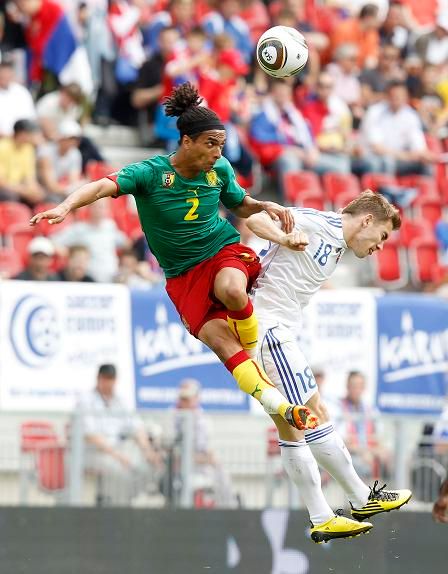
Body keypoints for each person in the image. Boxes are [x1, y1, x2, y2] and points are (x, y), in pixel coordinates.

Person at [30, 81, 314, 435]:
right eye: (210, 144)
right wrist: (66, 205)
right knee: (221, 343)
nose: (217, 152)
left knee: (232, 290)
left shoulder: (220, 169)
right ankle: (282, 406)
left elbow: (238, 203)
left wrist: (262, 204)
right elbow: (103, 185)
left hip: (220, 250)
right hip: (182, 277)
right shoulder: (151, 173)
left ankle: (254, 349)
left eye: (221, 145)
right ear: (186, 141)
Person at [246, 191, 412, 543]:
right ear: (367, 221)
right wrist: (284, 237)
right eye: (382, 236)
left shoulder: (337, 246)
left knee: (291, 427)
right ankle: (361, 497)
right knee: (314, 409)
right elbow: (254, 220)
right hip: (268, 329)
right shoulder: (317, 222)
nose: (382, 246)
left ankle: (322, 517)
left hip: (273, 329)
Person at [76, 363, 164, 506]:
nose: (108, 382)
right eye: (105, 378)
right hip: (93, 453)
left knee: (151, 466)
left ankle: (124, 501)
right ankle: (119, 508)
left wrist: (148, 452)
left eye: (111, 379)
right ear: (98, 378)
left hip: (117, 451)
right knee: (122, 471)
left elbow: (137, 428)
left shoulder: (120, 400)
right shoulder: (86, 400)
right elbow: (91, 436)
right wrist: (119, 456)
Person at [174, 378, 238, 508]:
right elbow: (172, 452)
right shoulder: (173, 417)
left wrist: (208, 459)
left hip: (200, 468)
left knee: (221, 474)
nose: (184, 402)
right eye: (182, 398)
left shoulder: (202, 421)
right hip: (178, 469)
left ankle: (230, 511)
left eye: (188, 398)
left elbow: (205, 451)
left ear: (197, 398)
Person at [337, 370, 391, 481]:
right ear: (347, 387)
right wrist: (363, 451)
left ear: (364, 388)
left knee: (392, 460)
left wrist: (379, 450)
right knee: (362, 465)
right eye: (353, 386)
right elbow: (342, 441)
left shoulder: (370, 409)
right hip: (350, 455)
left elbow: (378, 437)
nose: (356, 390)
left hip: (368, 453)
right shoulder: (339, 408)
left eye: (360, 386)